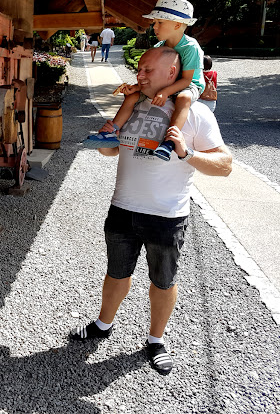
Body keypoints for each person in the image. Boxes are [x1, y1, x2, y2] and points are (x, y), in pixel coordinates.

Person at [70, 47, 233, 375]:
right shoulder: (131, 105)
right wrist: (106, 140)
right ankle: (104, 324)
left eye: (147, 70)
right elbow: (113, 151)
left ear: (172, 75)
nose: (139, 75)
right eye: (139, 69)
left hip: (167, 216)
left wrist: (187, 155)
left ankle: (155, 340)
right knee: (116, 272)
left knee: (162, 281)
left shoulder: (195, 114)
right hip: (122, 209)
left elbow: (225, 166)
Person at [82, 0, 205, 162]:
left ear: (177, 25)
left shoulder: (190, 47)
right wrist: (137, 87)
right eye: (154, 22)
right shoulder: (158, 47)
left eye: (159, 22)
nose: (154, 26)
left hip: (188, 85)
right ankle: (112, 131)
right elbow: (151, 76)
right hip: (165, 86)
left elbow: (187, 80)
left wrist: (165, 92)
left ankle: (170, 141)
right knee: (132, 97)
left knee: (183, 98)